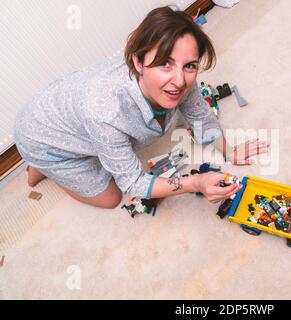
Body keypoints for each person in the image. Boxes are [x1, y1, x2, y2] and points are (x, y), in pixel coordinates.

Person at [14, 6, 269, 209]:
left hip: (72, 114)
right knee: (110, 199)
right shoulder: (105, 112)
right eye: (165, 64)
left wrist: (229, 152)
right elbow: (134, 183)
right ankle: (41, 166)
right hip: (41, 138)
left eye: (189, 65)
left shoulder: (183, 81)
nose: (180, 81)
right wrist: (196, 183)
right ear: (138, 61)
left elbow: (201, 116)